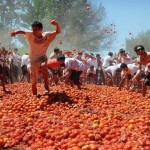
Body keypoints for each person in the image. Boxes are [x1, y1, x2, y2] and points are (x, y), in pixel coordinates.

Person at [11, 20, 61, 95]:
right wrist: (15, 32)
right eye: (33, 29)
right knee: (34, 81)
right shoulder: (31, 35)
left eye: (36, 29)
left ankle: (46, 87)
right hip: (33, 60)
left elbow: (58, 32)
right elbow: (22, 31)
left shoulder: (46, 35)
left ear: (41, 29)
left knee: (43, 65)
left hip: (42, 57)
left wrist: (56, 24)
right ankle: (35, 95)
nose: (34, 31)